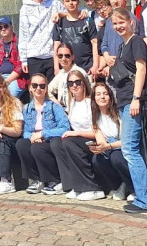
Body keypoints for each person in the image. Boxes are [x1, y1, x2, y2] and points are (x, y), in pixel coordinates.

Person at [107, 7, 147, 214]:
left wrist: (136, 98)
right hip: (126, 101)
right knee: (139, 150)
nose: (119, 26)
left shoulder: (136, 41)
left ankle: (146, 200)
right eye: (115, 23)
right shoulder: (123, 46)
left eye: (122, 22)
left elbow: (141, 69)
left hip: (133, 100)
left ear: (131, 22)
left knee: (129, 149)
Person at [54, 68, 104, 201]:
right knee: (57, 143)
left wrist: (76, 133)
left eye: (77, 82)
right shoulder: (72, 103)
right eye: (70, 83)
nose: (74, 85)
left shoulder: (90, 103)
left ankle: (92, 187)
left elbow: (98, 132)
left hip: (93, 140)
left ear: (84, 83)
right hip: (79, 140)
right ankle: (75, 186)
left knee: (69, 142)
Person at [15, 73, 69, 195]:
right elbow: (25, 131)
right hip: (35, 140)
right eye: (35, 85)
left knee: (37, 148)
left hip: (51, 140)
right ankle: (37, 179)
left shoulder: (54, 107)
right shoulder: (26, 108)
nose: (38, 88)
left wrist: (43, 134)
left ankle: (54, 180)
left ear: (46, 88)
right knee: (21, 144)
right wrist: (32, 137)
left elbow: (64, 128)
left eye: (42, 86)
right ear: (30, 88)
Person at [88, 83, 131, 199]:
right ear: (94, 98)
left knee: (116, 157)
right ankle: (118, 185)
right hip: (110, 148)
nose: (102, 97)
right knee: (97, 159)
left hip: (123, 148)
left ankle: (132, 188)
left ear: (110, 96)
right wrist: (98, 148)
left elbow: (125, 141)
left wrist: (109, 146)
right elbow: (101, 141)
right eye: (98, 94)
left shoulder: (119, 113)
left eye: (105, 94)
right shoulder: (95, 117)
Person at [19, 0, 63, 82]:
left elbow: (71, 12)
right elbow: (23, 33)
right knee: (37, 88)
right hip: (33, 56)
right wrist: (23, 59)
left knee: (53, 88)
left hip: (51, 55)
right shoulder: (25, 8)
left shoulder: (55, 4)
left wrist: (60, 14)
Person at [52, 0, 99, 77]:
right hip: (66, 69)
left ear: (78, 2)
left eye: (73, 0)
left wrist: (95, 65)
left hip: (87, 68)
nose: (71, 3)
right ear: (63, 3)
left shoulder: (88, 20)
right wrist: (56, 68)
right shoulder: (59, 23)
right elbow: (56, 46)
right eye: (67, 1)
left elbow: (94, 43)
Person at [0, 17, 25, 98]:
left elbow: (20, 66)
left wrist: (6, 81)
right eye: (0, 27)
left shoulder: (20, 42)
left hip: (16, 79)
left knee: (7, 97)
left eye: (6, 26)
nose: (3, 29)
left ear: (11, 27)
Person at [48, 41, 91, 108]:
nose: (63, 59)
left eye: (67, 56)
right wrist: (57, 104)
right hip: (63, 110)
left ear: (73, 56)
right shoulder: (60, 74)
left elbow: (89, 93)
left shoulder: (79, 72)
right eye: (60, 56)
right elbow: (47, 90)